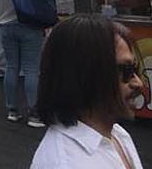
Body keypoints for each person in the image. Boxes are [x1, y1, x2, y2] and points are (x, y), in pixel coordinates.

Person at [32, 14, 145, 168]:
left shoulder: (117, 135)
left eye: (135, 68)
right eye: (126, 70)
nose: (138, 82)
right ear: (85, 75)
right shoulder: (67, 163)